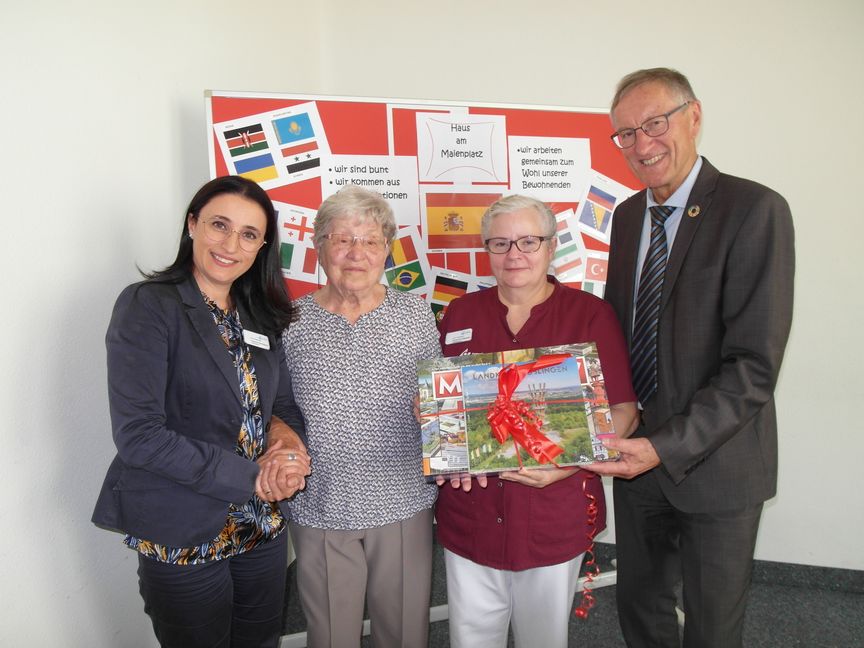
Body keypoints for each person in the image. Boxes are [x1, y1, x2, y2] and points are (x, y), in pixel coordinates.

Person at [581, 68, 795, 648]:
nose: (642, 144)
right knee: (640, 609)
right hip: (636, 460)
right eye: (625, 134)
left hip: (717, 467)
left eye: (655, 124)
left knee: (711, 625)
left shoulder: (754, 210)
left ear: (693, 116)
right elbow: (619, 334)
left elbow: (754, 366)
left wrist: (663, 446)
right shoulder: (627, 218)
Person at [92, 175, 311, 648]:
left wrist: (286, 449)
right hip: (183, 532)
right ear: (192, 224)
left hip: (260, 527)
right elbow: (139, 436)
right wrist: (251, 476)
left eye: (249, 234)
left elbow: (281, 406)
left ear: (261, 247)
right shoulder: (149, 306)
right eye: (219, 225)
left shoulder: (257, 313)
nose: (231, 244)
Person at [436, 194, 639, 648]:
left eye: (528, 241)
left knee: (543, 639)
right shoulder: (459, 314)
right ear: (485, 250)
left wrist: (569, 464)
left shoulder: (590, 315)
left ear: (551, 247)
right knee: (470, 639)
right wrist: (434, 417)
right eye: (500, 243)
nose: (514, 255)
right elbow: (446, 407)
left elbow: (623, 410)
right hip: (472, 512)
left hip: (554, 513)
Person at [272, 185, 440, 648]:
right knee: (329, 637)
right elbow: (273, 408)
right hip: (319, 503)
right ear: (318, 246)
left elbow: (441, 400)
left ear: (386, 250)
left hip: (402, 501)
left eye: (370, 241)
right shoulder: (289, 321)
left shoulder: (416, 315)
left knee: (404, 633)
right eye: (341, 239)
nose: (356, 253)